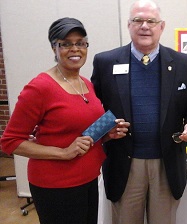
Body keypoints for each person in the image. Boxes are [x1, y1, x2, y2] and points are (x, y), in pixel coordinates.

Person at [0, 17, 130, 224]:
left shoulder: (86, 84)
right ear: (54, 48)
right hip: (56, 185)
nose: (75, 49)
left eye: (80, 43)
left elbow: (80, 134)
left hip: (88, 179)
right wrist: (63, 153)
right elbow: (10, 141)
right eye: (66, 44)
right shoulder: (40, 88)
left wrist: (107, 136)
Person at [91, 0, 187, 223]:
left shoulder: (183, 62)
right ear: (128, 25)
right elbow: (93, 109)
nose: (145, 26)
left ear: (161, 26)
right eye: (138, 20)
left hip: (167, 163)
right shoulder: (105, 62)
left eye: (151, 21)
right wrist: (107, 129)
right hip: (124, 164)